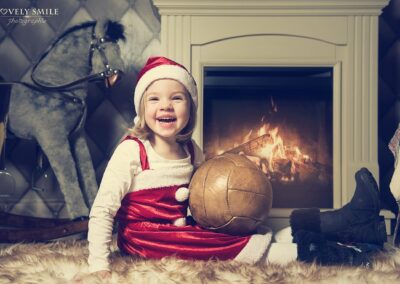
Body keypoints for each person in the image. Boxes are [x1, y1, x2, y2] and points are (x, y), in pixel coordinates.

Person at [75, 56, 386, 281]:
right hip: (151, 238)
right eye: (154, 99)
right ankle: (338, 255)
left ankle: (345, 223)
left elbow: (209, 186)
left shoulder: (189, 148)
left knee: (259, 230)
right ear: (142, 109)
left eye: (177, 98)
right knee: (244, 247)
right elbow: (103, 210)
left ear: (190, 108)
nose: (165, 106)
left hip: (194, 224)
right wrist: (98, 263)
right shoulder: (132, 150)